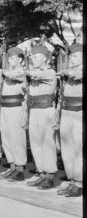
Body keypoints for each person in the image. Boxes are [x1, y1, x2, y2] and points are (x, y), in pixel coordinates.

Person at [25, 44, 58, 189]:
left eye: (36, 56)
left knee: (47, 144)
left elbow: (35, 75)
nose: (33, 58)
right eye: (32, 56)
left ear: (45, 58)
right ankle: (41, 173)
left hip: (46, 110)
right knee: (35, 143)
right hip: (34, 110)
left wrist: (29, 72)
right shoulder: (33, 73)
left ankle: (50, 176)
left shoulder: (49, 72)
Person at [55, 43, 82, 197]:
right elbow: (62, 95)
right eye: (71, 56)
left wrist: (67, 72)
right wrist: (58, 114)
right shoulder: (68, 75)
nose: (72, 59)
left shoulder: (75, 73)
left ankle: (79, 182)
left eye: (76, 56)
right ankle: (72, 180)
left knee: (79, 148)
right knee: (67, 149)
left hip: (79, 113)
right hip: (66, 111)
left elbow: (77, 75)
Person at [0, 47, 28, 182]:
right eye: (9, 58)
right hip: (5, 107)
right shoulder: (8, 72)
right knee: (6, 137)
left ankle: (20, 169)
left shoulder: (23, 72)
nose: (10, 61)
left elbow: (13, 75)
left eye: (12, 58)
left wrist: (4, 72)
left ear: (20, 59)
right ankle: (12, 166)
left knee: (17, 137)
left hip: (16, 107)